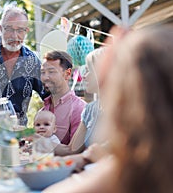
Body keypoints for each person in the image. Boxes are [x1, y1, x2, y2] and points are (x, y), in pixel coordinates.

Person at [45, 25, 173, 193]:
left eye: (91, 70)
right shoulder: (91, 111)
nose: (84, 76)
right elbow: (73, 150)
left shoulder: (126, 169)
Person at [54, 48, 105, 156]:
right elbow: (71, 149)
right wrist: (40, 142)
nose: (84, 76)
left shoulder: (124, 112)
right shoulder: (90, 110)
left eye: (88, 70)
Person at [40, 50, 86, 145]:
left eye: (51, 72)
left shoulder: (79, 109)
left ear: (67, 74)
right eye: (43, 72)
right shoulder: (43, 111)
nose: (45, 77)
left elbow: (75, 151)